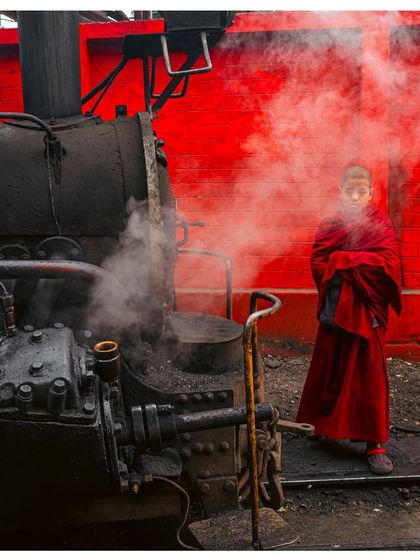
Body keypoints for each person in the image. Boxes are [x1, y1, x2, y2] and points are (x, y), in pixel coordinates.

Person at [296, 165, 402, 475]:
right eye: (349, 191)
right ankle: (324, 426)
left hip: (366, 313)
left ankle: (375, 444)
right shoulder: (331, 223)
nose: (355, 196)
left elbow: (389, 265)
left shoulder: (380, 224)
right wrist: (344, 264)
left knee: (368, 375)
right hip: (336, 309)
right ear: (340, 193)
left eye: (361, 191)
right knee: (330, 367)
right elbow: (318, 261)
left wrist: (343, 260)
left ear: (370, 193)